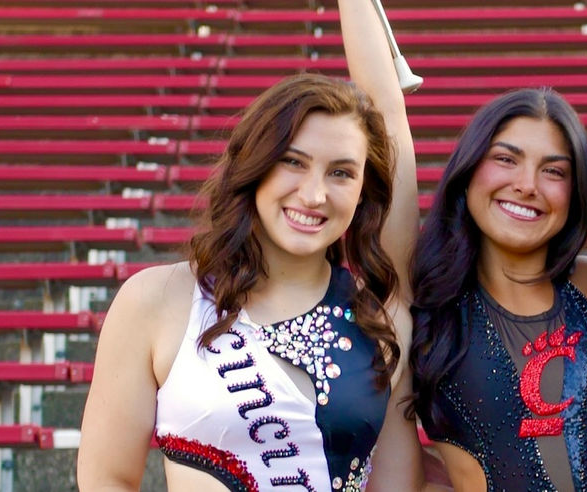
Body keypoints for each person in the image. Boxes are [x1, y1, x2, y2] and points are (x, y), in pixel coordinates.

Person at [76, 1, 427, 490]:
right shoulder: (155, 301)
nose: (314, 194)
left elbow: (397, 484)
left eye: (341, 172)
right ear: (254, 167)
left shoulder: (384, 323)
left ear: (364, 188)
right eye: (293, 163)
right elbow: (108, 479)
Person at [407, 88, 587, 492]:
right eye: (505, 159)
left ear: (576, 192)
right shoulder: (424, 299)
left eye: (553, 171)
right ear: (469, 169)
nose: (527, 184)